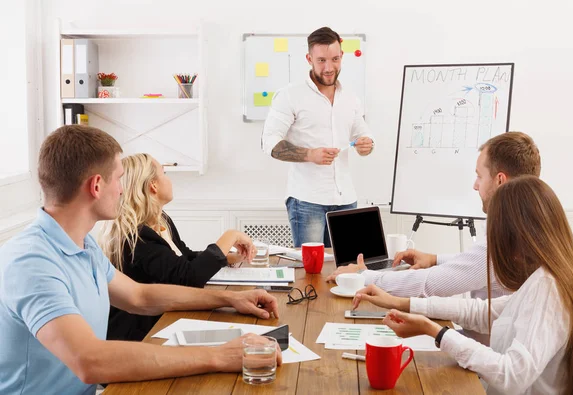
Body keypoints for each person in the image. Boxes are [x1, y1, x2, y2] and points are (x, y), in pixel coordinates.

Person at [0, 125, 281, 395]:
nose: (123, 189)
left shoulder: (83, 245)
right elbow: (90, 360)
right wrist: (219, 357)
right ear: (97, 185)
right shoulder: (31, 262)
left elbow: (139, 295)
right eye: (119, 178)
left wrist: (229, 299)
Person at [352, 176, 573, 395]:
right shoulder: (557, 275)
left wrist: (436, 332)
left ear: (514, 237)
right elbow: (483, 312)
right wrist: (401, 303)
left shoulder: (547, 287)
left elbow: (511, 376)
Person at [327, 132, 542, 301]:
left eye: (479, 176)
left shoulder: (503, 242)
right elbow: (472, 264)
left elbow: (428, 285)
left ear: (500, 180)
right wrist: (434, 259)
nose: (475, 185)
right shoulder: (531, 226)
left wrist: (363, 275)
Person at [99, 153, 257, 341]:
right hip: (142, 332)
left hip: (165, 318)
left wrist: (227, 257)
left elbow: (184, 257)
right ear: (153, 185)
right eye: (164, 173)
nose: (169, 180)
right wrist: (230, 235)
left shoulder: (161, 220)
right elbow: (188, 278)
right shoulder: (137, 236)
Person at [261, 26, 374, 247]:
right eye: (321, 60)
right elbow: (269, 142)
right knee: (311, 272)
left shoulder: (350, 98)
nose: (329, 67)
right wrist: (309, 154)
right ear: (309, 59)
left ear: (342, 56)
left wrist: (366, 144)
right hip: (306, 201)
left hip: (346, 200)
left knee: (346, 268)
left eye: (335, 59)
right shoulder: (289, 96)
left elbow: (363, 134)